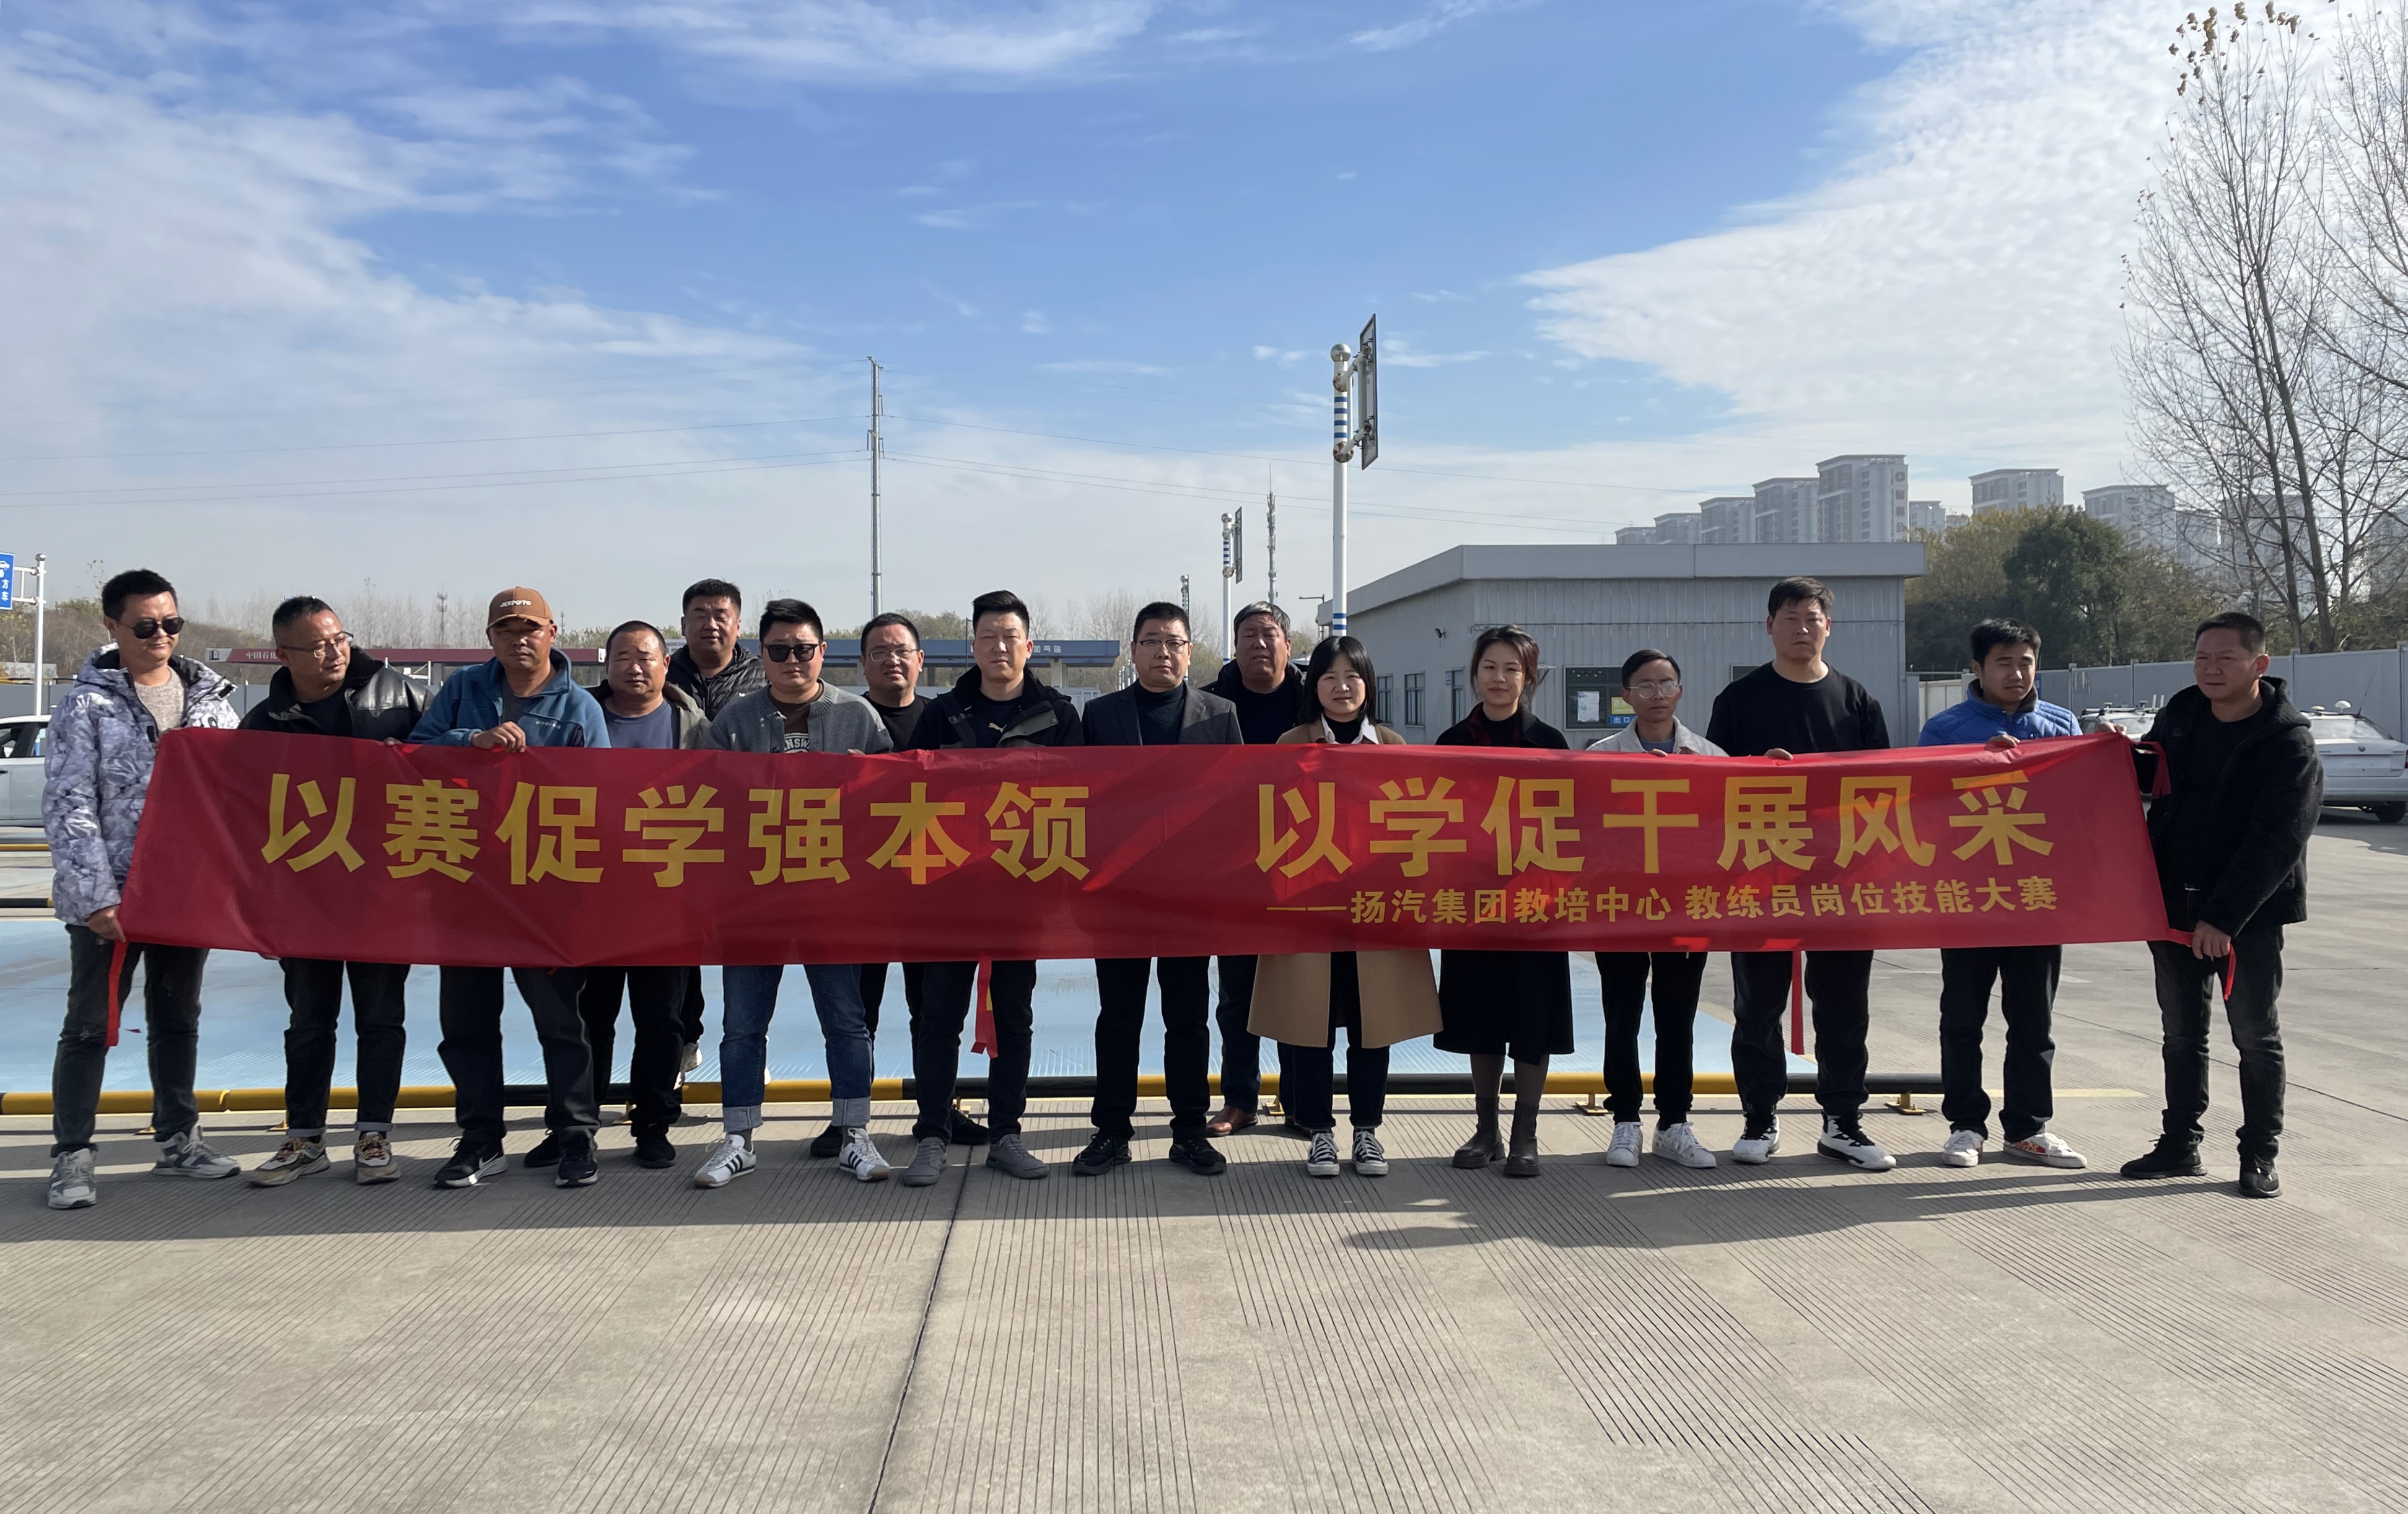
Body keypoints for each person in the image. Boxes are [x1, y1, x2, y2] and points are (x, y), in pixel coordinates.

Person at [43, 569, 243, 1210]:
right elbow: (70, 802)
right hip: (113, 898)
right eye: (146, 625)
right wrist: (97, 897)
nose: (161, 636)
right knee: (89, 1025)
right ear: (113, 626)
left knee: (177, 1017)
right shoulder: (86, 705)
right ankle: (72, 1154)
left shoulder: (211, 701)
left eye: (171, 623)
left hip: (184, 895)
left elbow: (241, 795)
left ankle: (179, 1138)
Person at [410, 587, 613, 1191]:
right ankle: (480, 1139)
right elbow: (414, 753)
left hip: (543, 890)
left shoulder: (579, 707)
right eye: (506, 630)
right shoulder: (462, 690)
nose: (519, 639)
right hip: (466, 884)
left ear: (553, 632)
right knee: (466, 1021)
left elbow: (602, 797)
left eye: (530, 628)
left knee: (561, 1021)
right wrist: (469, 741)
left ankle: (575, 1136)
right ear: (490, 638)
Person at [691, 599, 896, 1188]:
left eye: (803, 649)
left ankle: (854, 1133)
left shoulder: (858, 718)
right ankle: (738, 1139)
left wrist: (869, 783)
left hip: (832, 897)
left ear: (822, 653)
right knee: (742, 1025)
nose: (792, 660)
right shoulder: (734, 721)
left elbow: (896, 807)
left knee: (846, 1021)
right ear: (761, 654)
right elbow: (709, 807)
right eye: (779, 650)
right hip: (753, 899)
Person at [2121, 611, 2318, 1199]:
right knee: (2180, 1035)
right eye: (2202, 658)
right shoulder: (2180, 717)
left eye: (2225, 658)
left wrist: (2223, 917)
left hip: (2246, 919)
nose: (2210, 669)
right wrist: (2107, 752)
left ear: (2259, 665)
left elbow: (2277, 840)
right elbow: (2147, 778)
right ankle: (2179, 1145)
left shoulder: (2287, 742)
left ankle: (2259, 1153)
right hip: (2171, 908)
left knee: (2254, 1036)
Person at [1704, 576, 1896, 1172]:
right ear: (1769, 626)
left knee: (1843, 1006)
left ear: (1828, 627)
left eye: (1812, 618)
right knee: (1758, 1004)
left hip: (1842, 878)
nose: (1801, 628)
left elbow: (1884, 790)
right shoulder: (1739, 701)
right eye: (1789, 618)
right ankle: (1759, 1118)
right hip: (1760, 873)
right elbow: (1710, 787)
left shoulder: (1857, 700)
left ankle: (1843, 1122)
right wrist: (1755, 773)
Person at [899, 589, 1084, 1187]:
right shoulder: (942, 714)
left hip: (1020, 893)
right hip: (949, 891)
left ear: (1029, 645)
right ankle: (932, 1134)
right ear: (972, 646)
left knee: (1013, 1016)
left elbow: (1082, 802)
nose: (999, 647)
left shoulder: (1058, 717)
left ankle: (1006, 1133)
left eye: (1010, 637)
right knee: (938, 1016)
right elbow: (909, 798)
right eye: (988, 637)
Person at [240, 596, 427, 1188]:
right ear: (284, 654)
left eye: (340, 638)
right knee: (309, 1021)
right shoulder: (265, 723)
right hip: (304, 900)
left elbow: (446, 773)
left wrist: (416, 761)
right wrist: (257, 910)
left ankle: (374, 1136)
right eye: (318, 645)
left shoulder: (398, 697)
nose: (334, 652)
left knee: (381, 1018)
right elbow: (242, 820)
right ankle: (304, 1138)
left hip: (381, 893)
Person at [1248, 636, 1441, 1179]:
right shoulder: (1290, 745)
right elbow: (1270, 826)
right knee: (1310, 1025)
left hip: (1375, 911)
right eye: (1329, 678)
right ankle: (1319, 1134)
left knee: (1370, 1025)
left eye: (1351, 677)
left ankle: (1366, 1132)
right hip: (1308, 912)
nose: (1341, 687)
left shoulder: (1392, 746)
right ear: (1314, 687)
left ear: (1368, 685)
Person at [1072, 600, 1242, 1178]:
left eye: (1173, 642)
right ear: (1133, 650)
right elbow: (1083, 804)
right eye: (1151, 642)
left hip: (1189, 899)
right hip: (1119, 896)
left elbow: (1235, 806)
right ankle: (1111, 1131)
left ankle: (1189, 1131)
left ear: (1189, 652)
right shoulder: (1100, 716)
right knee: (1118, 1017)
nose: (1162, 653)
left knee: (1188, 1018)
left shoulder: (1219, 716)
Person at [1916, 618, 2087, 1170]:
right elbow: (1922, 807)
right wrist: (1979, 766)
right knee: (1962, 1018)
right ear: (1977, 668)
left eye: (2025, 663)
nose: (2016, 674)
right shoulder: (1944, 730)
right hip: (1967, 897)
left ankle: (2027, 1128)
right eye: (2003, 663)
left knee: (2033, 1021)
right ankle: (1965, 1125)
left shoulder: (2061, 725)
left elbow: (2077, 804)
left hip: (2036, 898)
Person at [838, 610, 984, 1156]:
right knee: (858, 1013)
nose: (892, 661)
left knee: (934, 1013)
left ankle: (937, 1113)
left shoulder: (943, 718)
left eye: (902, 651)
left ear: (921, 660)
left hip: (931, 890)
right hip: (865, 892)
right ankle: (849, 1119)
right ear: (863, 663)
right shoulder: (846, 719)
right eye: (880, 652)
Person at [1434, 626, 1572, 1178]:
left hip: (1537, 905)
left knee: (1533, 1018)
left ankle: (1525, 1133)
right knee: (1481, 1015)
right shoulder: (1450, 743)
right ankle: (1486, 1129)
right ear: (1474, 674)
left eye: (1512, 669)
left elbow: (1571, 825)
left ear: (1529, 678)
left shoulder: (1550, 743)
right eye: (1489, 667)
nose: (1499, 678)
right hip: (1472, 904)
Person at [1585, 647, 1723, 1171]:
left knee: (1677, 1018)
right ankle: (1625, 1120)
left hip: (1685, 908)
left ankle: (1674, 1123)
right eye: (1644, 685)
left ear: (1680, 691)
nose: (1656, 694)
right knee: (1621, 1016)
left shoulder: (1710, 758)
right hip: (1619, 907)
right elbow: (1582, 832)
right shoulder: (1600, 758)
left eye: (1666, 684)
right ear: (1626, 696)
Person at [576, 620, 705, 1171]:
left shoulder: (694, 728)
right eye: (623, 657)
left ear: (665, 664)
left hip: (666, 901)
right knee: (589, 1019)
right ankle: (576, 1125)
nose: (635, 667)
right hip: (593, 898)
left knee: (661, 1020)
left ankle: (653, 1122)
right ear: (605, 665)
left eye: (646, 657)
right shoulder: (578, 719)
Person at [1202, 600, 1310, 1136]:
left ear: (1288, 645)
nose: (1259, 644)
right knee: (1237, 995)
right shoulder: (1207, 706)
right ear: (1235, 645)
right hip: (1232, 868)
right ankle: (1239, 1099)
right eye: (1249, 635)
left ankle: (1299, 1100)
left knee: (1299, 989)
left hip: (1304, 865)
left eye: (1269, 635)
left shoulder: (1313, 704)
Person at [665, 578, 764, 1072]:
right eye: (699, 615)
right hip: (678, 825)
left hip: (747, 829)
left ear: (738, 624)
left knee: (746, 944)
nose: (710, 623)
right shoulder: (661, 672)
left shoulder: (763, 676)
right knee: (677, 942)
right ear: (683, 624)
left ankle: (747, 1048)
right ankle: (684, 1041)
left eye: (720, 614)